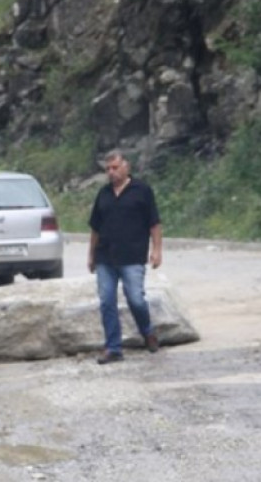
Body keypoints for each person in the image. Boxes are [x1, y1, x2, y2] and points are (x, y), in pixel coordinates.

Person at [87, 149, 163, 365]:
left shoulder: (142, 191)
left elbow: (155, 224)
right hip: (105, 258)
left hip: (132, 256)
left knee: (136, 299)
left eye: (115, 167)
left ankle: (147, 331)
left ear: (126, 167)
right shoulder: (103, 194)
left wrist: (156, 250)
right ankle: (113, 348)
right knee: (106, 301)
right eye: (108, 169)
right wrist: (91, 256)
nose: (111, 172)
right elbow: (95, 228)